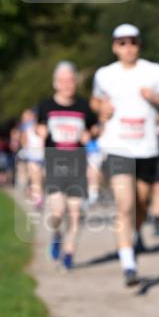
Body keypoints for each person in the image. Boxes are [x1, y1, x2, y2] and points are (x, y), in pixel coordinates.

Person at [90, 24, 159, 287]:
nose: (128, 47)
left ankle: (135, 234)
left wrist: (156, 99)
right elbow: (95, 100)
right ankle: (128, 264)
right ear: (114, 47)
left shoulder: (156, 72)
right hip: (117, 146)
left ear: (139, 44)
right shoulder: (104, 74)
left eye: (133, 42)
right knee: (124, 204)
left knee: (141, 203)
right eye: (122, 43)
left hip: (147, 147)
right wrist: (100, 108)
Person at [36, 61, 98, 269]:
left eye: (71, 80)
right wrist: (40, 131)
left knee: (75, 213)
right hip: (54, 162)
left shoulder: (83, 106)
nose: (67, 84)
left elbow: (94, 128)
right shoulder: (46, 105)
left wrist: (90, 135)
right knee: (58, 211)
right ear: (55, 83)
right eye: (63, 80)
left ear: (76, 82)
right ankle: (56, 236)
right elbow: (38, 127)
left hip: (77, 163)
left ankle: (69, 253)